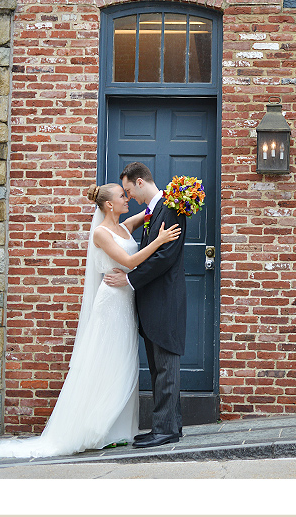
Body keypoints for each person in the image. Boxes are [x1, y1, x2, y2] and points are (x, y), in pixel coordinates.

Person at [0, 183, 181, 458]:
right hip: (111, 303)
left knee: (123, 364)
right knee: (104, 361)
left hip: (126, 304)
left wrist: (180, 198)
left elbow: (153, 210)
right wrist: (160, 241)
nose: (127, 199)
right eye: (122, 196)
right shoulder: (101, 233)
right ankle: (93, 427)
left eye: (127, 194)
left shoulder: (125, 226)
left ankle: (116, 430)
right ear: (109, 205)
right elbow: (129, 259)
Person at [103, 162, 187, 448]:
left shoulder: (172, 207)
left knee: (165, 367)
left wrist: (129, 280)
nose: (129, 197)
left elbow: (164, 257)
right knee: (159, 366)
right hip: (154, 301)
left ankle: (165, 429)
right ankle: (170, 426)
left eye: (128, 190)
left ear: (140, 183)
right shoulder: (155, 210)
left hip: (165, 300)